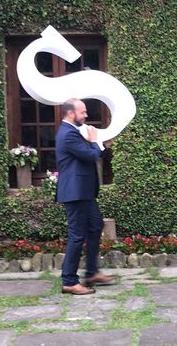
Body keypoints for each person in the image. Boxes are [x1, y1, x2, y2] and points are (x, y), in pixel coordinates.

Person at [56, 98, 116, 295]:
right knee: (76, 235)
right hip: (75, 193)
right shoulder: (68, 134)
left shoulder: (74, 132)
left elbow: (98, 154)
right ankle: (69, 281)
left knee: (95, 226)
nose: (86, 115)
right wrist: (94, 142)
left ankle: (91, 273)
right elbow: (90, 155)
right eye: (83, 112)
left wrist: (101, 146)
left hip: (84, 193)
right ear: (70, 113)